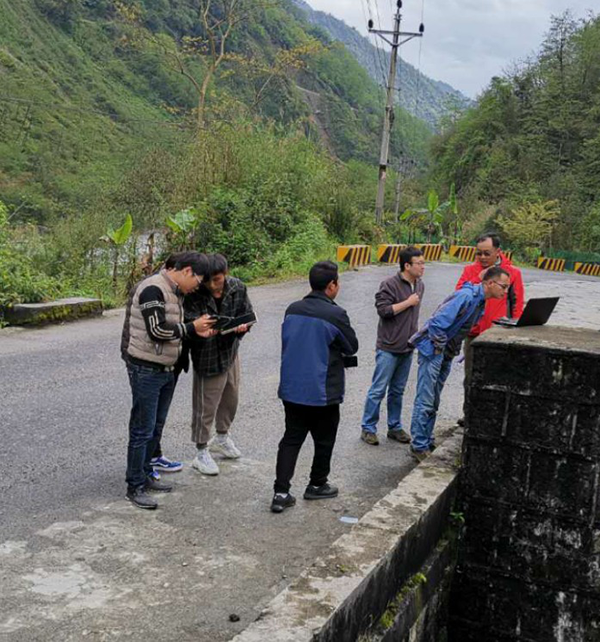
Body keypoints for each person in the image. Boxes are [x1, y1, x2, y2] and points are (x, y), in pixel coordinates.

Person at [121, 251, 216, 509]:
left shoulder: (174, 291)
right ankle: (135, 485)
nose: (198, 285)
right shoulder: (153, 289)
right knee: (142, 428)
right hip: (146, 368)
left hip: (166, 368)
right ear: (187, 271)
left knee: (155, 426)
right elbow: (157, 330)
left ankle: (146, 474)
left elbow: (175, 328)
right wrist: (191, 328)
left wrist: (197, 332)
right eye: (197, 279)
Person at [271, 261, 359, 513]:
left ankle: (280, 493)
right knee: (324, 439)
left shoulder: (292, 309)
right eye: (337, 283)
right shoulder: (335, 314)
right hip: (322, 390)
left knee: (291, 438)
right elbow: (351, 346)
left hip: (292, 388)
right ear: (332, 285)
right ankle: (317, 484)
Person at [409, 267, 511, 462]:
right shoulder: (466, 297)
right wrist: (440, 350)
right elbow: (437, 323)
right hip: (434, 350)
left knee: (434, 398)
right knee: (426, 398)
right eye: (503, 287)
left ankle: (426, 438)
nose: (505, 291)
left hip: (444, 351)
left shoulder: (479, 301)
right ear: (490, 283)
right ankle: (418, 444)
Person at [185, 254, 254, 476]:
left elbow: (247, 313)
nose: (214, 285)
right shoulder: (194, 293)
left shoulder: (237, 287)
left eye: (218, 279)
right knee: (206, 406)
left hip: (230, 350)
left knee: (231, 398)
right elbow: (188, 325)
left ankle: (222, 437)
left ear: (226, 273)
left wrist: (243, 326)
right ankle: (201, 450)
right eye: (209, 281)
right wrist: (201, 330)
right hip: (206, 356)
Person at [455, 233, 524, 424]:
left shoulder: (513, 273)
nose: (483, 257)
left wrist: (516, 329)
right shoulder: (471, 270)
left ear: (498, 252)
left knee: (497, 377)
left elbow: (517, 303)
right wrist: (480, 279)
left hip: (499, 334)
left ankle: (493, 417)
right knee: (470, 376)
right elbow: (459, 294)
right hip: (473, 333)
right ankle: (469, 414)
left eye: (487, 253)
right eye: (479, 254)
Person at [360, 247, 425, 446]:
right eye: (419, 263)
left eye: (423, 263)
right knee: (378, 389)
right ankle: (368, 428)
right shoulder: (389, 284)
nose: (423, 267)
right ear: (407, 265)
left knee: (398, 390)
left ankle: (394, 427)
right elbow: (384, 310)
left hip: (407, 346)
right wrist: (407, 302)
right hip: (388, 347)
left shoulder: (420, 285)